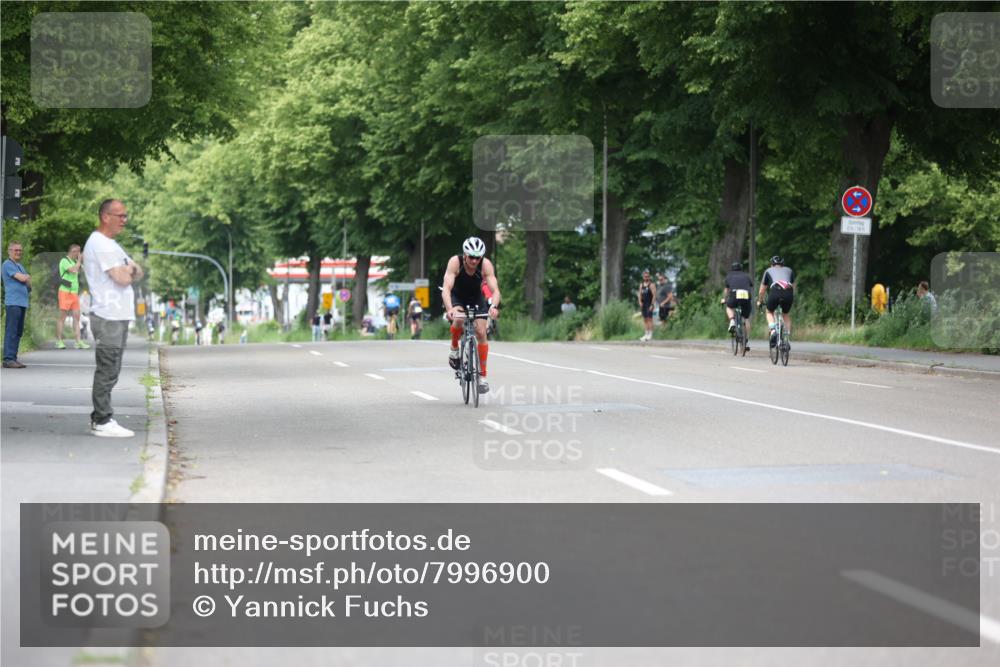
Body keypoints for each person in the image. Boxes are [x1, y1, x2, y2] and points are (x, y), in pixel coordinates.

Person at [83, 199, 143, 437]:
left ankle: (101, 418)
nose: (124, 220)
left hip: (117, 315)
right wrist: (128, 269)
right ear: (105, 217)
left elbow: (138, 270)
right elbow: (123, 277)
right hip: (108, 315)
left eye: (125, 215)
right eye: (120, 216)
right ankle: (102, 420)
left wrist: (129, 268)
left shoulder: (112, 244)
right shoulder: (100, 243)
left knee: (112, 369)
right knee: (107, 369)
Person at [442, 236, 501, 393]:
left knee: (481, 331)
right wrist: (450, 309)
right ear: (465, 254)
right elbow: (446, 289)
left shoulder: (485, 265)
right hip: (457, 297)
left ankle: (482, 376)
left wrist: (494, 306)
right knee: (459, 320)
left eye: (477, 257)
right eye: (471, 257)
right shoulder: (455, 262)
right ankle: (454, 347)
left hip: (476, 297)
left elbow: (495, 291)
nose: (474, 261)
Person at [54, 244, 90, 350]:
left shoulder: (76, 262)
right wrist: (79, 261)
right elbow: (73, 270)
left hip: (74, 293)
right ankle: (59, 341)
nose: (78, 254)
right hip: (64, 292)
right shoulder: (64, 261)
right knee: (62, 317)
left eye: (79, 252)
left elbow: (85, 271)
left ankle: (78, 341)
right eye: (76, 251)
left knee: (76, 317)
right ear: (71, 251)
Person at [2, 241, 31, 369]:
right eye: (16, 250)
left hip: (22, 303)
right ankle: (8, 359)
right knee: (11, 331)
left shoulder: (19, 266)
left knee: (18, 332)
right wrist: (26, 277)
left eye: (20, 250)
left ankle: (13, 358)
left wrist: (26, 278)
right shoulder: (7, 264)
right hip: (13, 302)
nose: (18, 252)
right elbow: (23, 279)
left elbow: (29, 285)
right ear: (10, 251)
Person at [757, 255, 795, 349]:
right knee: (785, 314)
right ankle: (786, 339)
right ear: (783, 264)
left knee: (769, 311)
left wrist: (760, 301)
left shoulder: (768, 271)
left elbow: (762, 291)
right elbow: (793, 287)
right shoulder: (789, 270)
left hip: (775, 291)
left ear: (772, 264)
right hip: (788, 292)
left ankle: (773, 330)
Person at [722, 261, 753, 351]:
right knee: (746, 318)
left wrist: (724, 299)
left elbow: (727, 290)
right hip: (746, 295)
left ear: (732, 269)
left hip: (735, 294)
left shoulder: (729, 276)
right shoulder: (746, 276)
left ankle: (732, 321)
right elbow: (750, 286)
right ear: (741, 269)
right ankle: (746, 339)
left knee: (729, 307)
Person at [638, 270, 655, 341]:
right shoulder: (641, 285)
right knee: (645, 319)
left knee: (649, 319)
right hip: (643, 304)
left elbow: (654, 295)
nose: (646, 278)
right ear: (643, 277)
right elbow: (639, 294)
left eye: (648, 276)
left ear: (649, 277)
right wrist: (640, 302)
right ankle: (646, 334)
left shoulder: (651, 285)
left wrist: (652, 304)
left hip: (649, 304)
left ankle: (650, 334)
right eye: (645, 276)